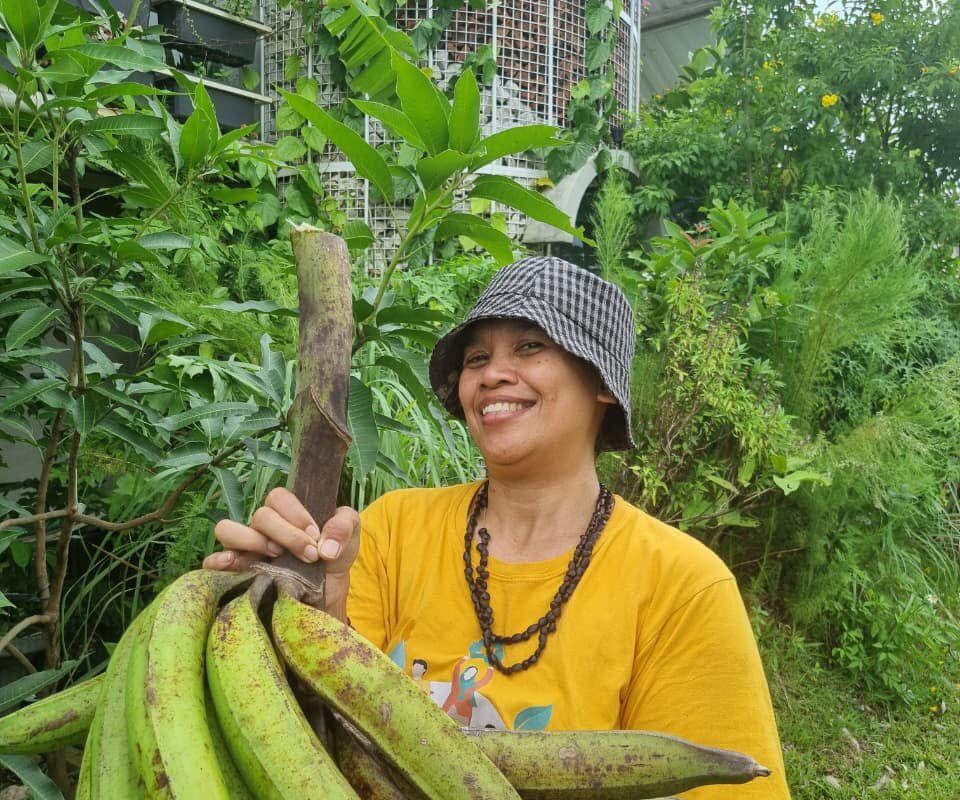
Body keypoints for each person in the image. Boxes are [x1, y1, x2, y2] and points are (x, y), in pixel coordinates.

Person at [204, 256, 792, 799]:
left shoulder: (682, 586)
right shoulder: (392, 529)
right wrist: (294, 604)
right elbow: (317, 730)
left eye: (530, 346)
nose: (492, 375)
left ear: (604, 383)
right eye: (476, 359)